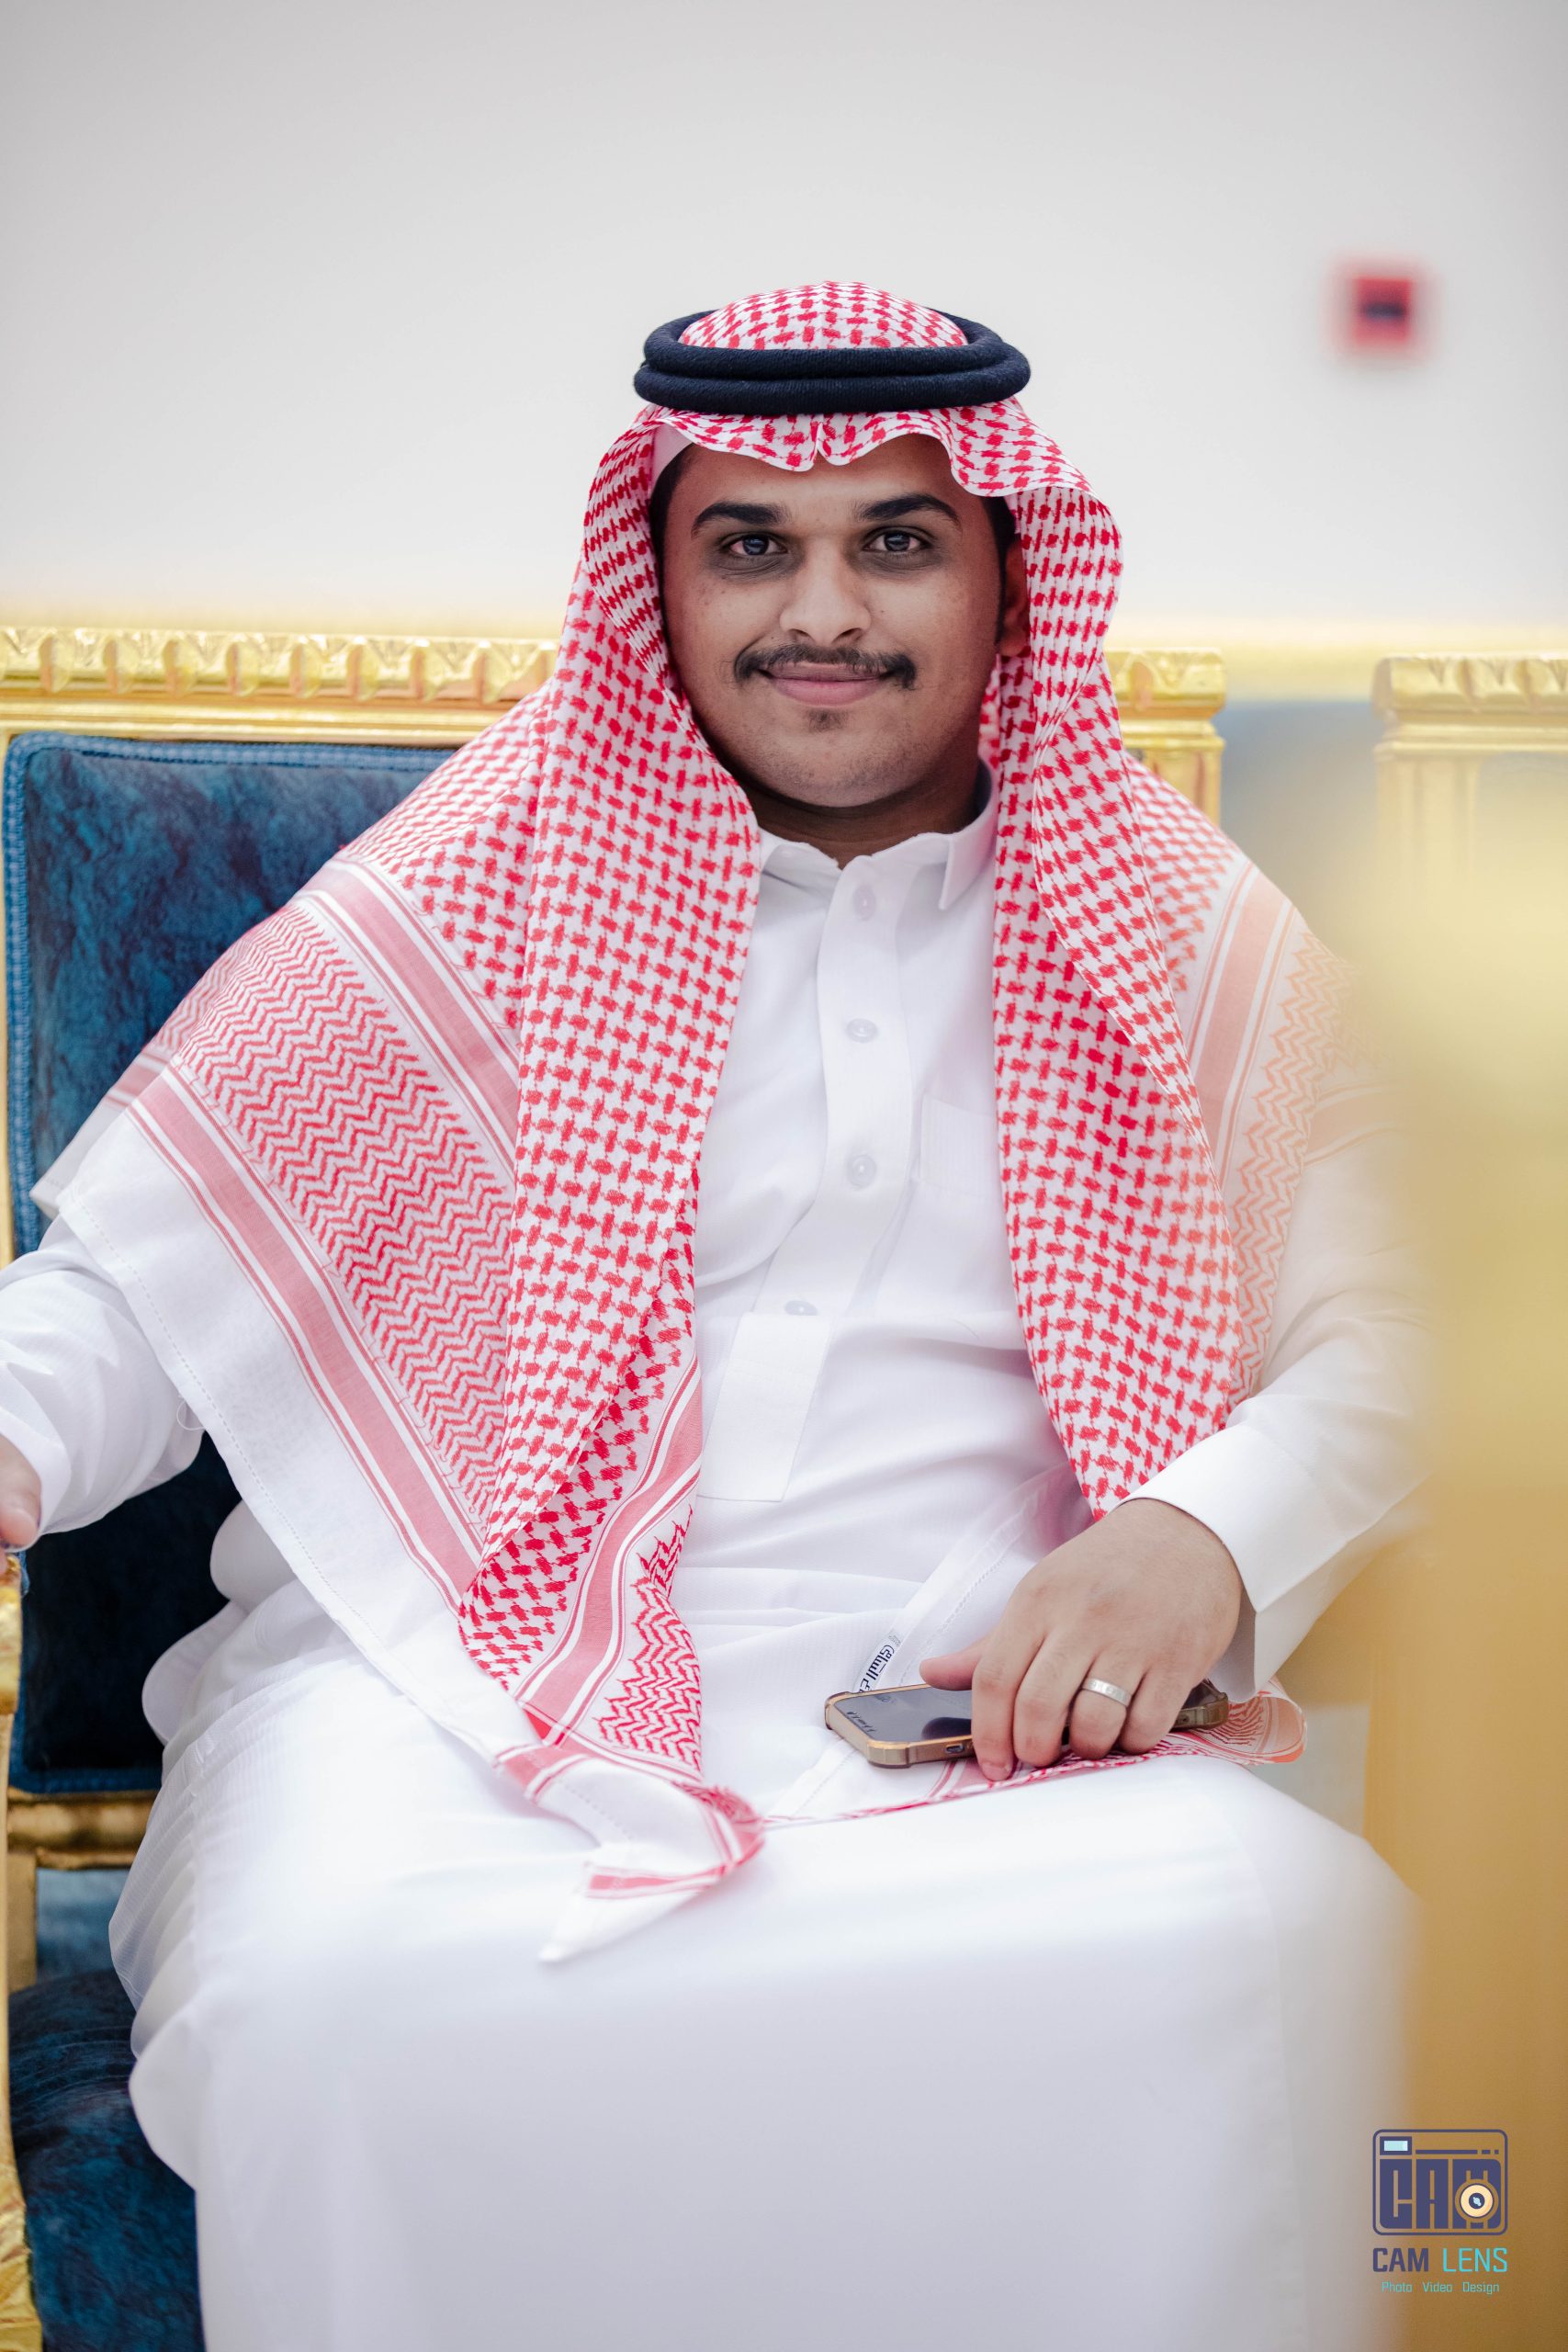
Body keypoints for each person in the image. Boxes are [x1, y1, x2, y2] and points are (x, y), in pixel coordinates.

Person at [0, 285, 1421, 2350]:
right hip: (447, 1696)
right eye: (750, 543)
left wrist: (1205, 1534)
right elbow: (149, 1281)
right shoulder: (476, 886)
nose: (819, 611)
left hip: (968, 1708)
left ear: (1004, 570)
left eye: (896, 542)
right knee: (344, 1997)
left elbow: (1415, 1328)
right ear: (656, 579)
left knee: (1310, 1954)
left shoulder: (1174, 929)